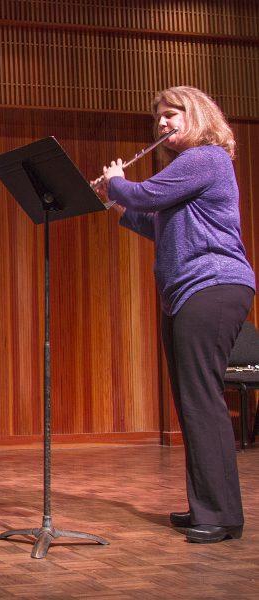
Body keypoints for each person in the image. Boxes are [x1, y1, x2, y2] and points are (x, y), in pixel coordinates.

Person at [101, 86, 255, 544]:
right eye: (160, 118)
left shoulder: (204, 157)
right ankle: (212, 508)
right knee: (194, 403)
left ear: (199, 115)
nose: (164, 123)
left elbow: (145, 194)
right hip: (191, 291)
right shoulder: (188, 171)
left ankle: (219, 513)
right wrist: (117, 202)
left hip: (210, 286)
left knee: (200, 402)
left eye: (173, 114)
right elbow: (157, 221)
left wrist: (116, 182)